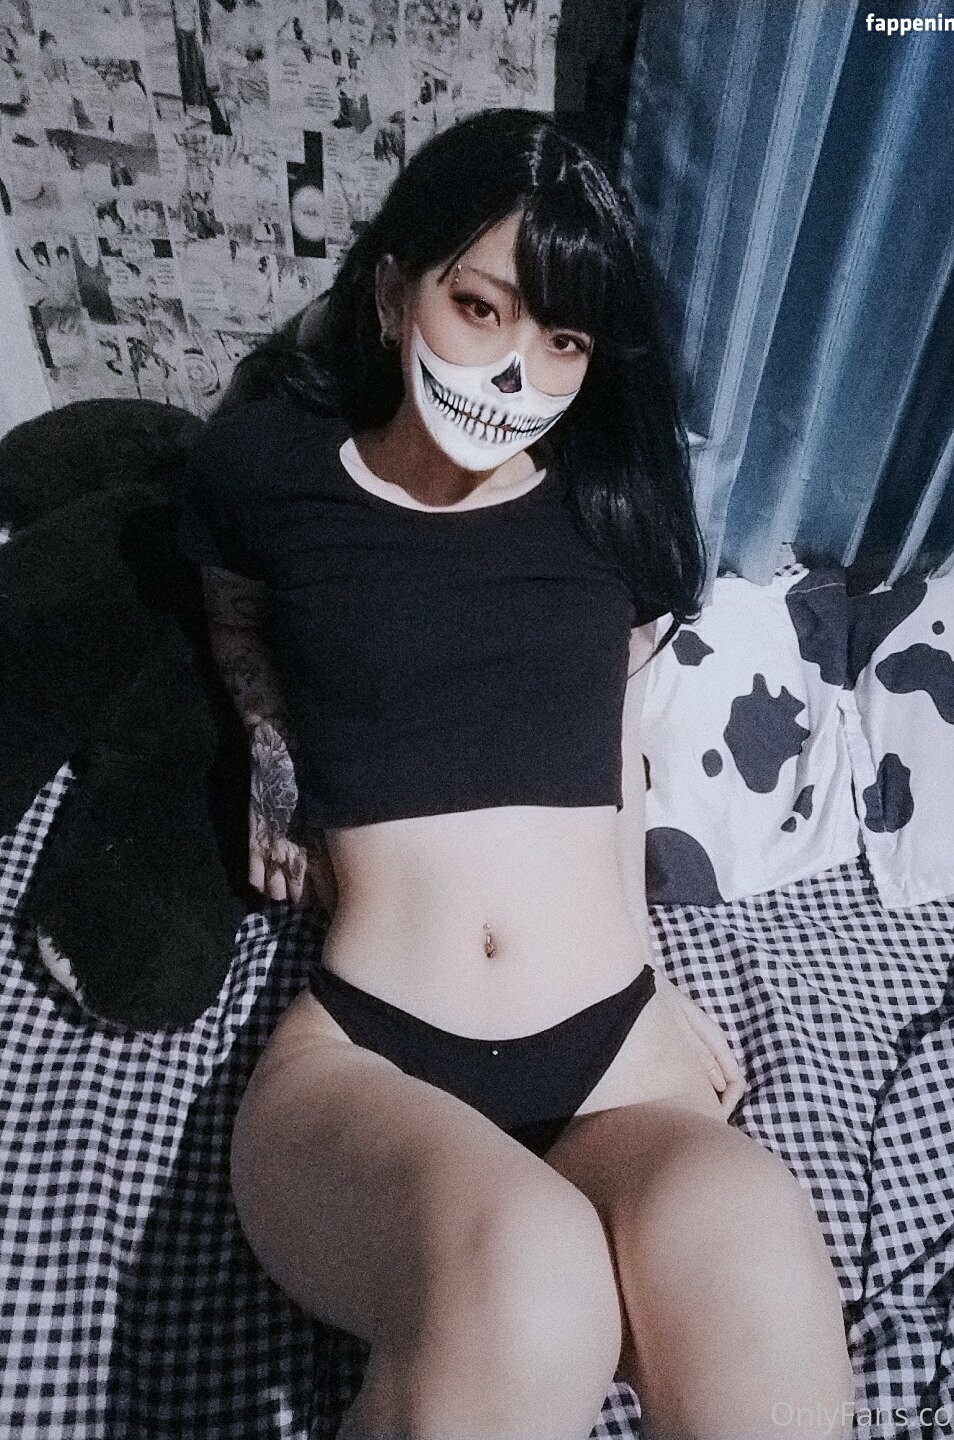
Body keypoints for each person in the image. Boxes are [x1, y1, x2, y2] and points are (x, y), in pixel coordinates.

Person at [176, 107, 855, 1440]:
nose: (515, 368)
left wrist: (651, 976)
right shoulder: (268, 469)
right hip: (375, 1054)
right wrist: (268, 745)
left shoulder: (610, 509)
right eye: (480, 307)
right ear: (395, 292)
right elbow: (233, 610)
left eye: (563, 339)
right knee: (535, 1280)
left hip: (612, 1051)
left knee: (760, 1253)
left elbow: (618, 750)